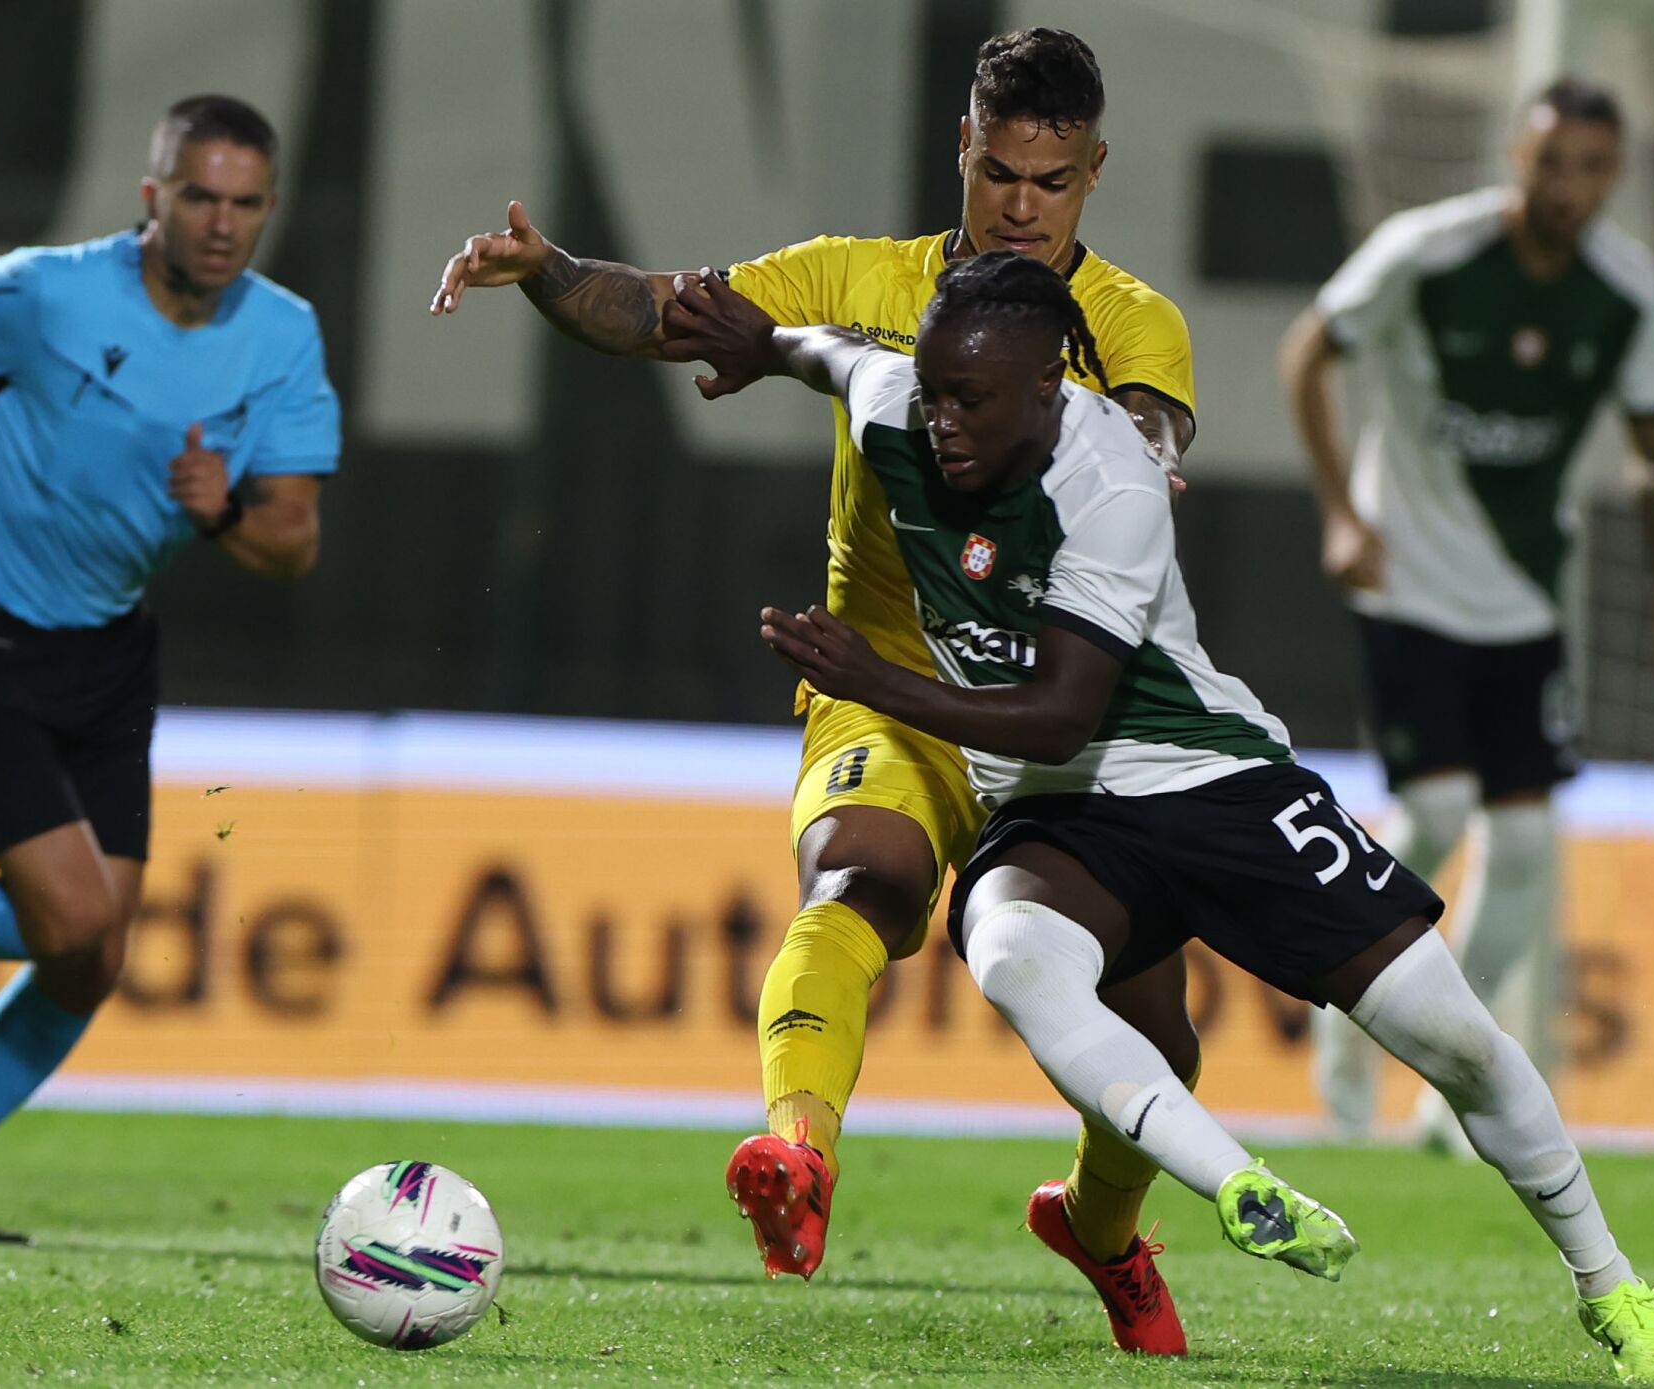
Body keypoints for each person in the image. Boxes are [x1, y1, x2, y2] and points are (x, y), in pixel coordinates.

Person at [676, 248, 1654, 1385]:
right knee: (1010, 947)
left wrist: (878, 679)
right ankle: (1238, 1185)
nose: (944, 420)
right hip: (1056, 813)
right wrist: (758, 347)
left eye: (973, 399)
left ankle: (1612, 1293)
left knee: (1455, 1039)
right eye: (933, 388)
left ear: (1048, 391)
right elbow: (834, 353)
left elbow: (1062, 712)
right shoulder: (899, 407)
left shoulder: (1109, 480)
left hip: (1205, 775)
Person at [433, 28, 1197, 1354]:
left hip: (1064, 710)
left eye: (1052, 181)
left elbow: (1156, 421)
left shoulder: (1131, 321)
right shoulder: (861, 280)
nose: (1021, 205)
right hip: (890, 687)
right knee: (861, 884)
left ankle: (1102, 1228)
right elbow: (668, 309)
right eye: (1001, 171)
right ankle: (796, 1158)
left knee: (1158, 1039)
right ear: (963, 149)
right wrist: (549, 273)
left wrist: (1138, 452)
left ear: (1095, 174)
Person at [0, 95, 340, 1240]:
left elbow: (292, 542)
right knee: (66, 927)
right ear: (152, 199)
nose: (221, 223)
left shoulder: (283, 335)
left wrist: (221, 518)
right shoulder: (44, 293)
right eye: (199, 196)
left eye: (245, 203)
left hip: (109, 655)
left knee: (90, 962)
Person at [1278, 77, 1654, 1146]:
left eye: (1592, 168)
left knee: (1521, 843)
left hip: (1523, 600)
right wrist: (1340, 513)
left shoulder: (1626, 290)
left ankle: (1443, 1092)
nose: (1568, 186)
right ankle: (1342, 1053)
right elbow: (1307, 353)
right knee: (1433, 817)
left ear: (1612, 176)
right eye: (1550, 161)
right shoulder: (1429, 252)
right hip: (1408, 578)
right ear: (1515, 157)